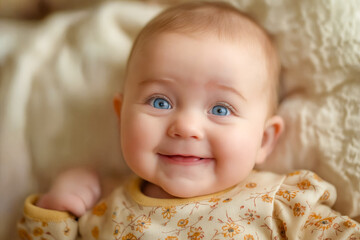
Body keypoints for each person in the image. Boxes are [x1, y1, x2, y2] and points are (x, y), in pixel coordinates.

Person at [17, 2, 360, 240]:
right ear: (122, 117)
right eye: (160, 101)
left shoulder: (278, 202)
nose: (185, 126)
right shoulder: (104, 206)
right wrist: (56, 209)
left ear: (264, 140)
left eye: (221, 109)